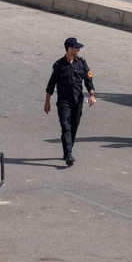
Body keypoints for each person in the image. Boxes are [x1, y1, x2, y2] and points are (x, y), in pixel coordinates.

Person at [44, 37, 97, 166]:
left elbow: (88, 79)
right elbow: (51, 85)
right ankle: (68, 154)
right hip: (64, 101)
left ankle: (68, 149)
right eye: (76, 47)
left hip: (77, 100)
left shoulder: (82, 63)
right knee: (66, 126)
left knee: (74, 126)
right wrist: (47, 102)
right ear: (69, 49)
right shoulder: (59, 65)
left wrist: (91, 94)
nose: (78, 49)